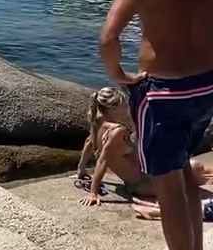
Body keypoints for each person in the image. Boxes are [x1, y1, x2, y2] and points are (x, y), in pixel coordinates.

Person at [100, 0, 213, 250]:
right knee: (184, 175)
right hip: (206, 85)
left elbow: (109, 37)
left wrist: (120, 75)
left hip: (163, 91)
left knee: (168, 188)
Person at [75, 87, 211, 210]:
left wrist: (81, 169)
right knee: (193, 173)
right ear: (112, 108)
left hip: (142, 179)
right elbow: (103, 161)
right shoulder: (117, 131)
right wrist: (93, 192)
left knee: (195, 168)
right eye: (124, 105)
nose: (127, 109)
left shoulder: (97, 124)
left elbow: (88, 143)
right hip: (142, 184)